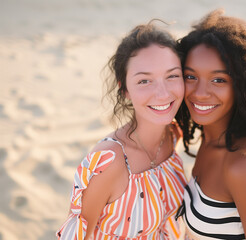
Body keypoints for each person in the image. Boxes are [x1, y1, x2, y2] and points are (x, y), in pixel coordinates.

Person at [57, 21, 187, 239]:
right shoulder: (110, 162)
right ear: (124, 89)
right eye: (144, 80)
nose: (163, 94)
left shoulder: (173, 134)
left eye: (172, 75)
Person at [175, 9, 246, 240]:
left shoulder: (244, 166)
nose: (200, 93)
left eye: (218, 80)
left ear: (241, 86)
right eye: (190, 76)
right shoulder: (209, 138)